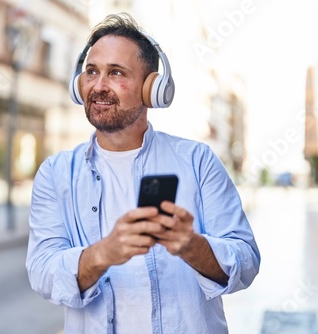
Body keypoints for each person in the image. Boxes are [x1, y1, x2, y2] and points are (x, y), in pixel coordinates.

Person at [26, 13, 260, 333]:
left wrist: (191, 245)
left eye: (116, 73)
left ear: (153, 88)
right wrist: (102, 254)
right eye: (91, 71)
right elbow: (42, 273)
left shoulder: (198, 161)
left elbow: (246, 262)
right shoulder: (55, 173)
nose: (98, 85)